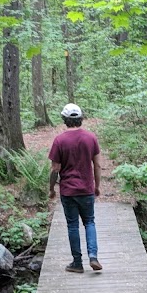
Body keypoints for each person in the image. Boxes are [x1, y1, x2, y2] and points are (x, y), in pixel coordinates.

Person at [48, 103, 103, 273]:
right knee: (89, 222)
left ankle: (77, 263)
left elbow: (55, 169)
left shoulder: (59, 140)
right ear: (81, 118)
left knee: (73, 226)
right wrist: (97, 186)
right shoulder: (91, 138)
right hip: (86, 189)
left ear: (64, 119)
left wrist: (51, 189)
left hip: (68, 190)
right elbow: (98, 165)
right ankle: (93, 256)